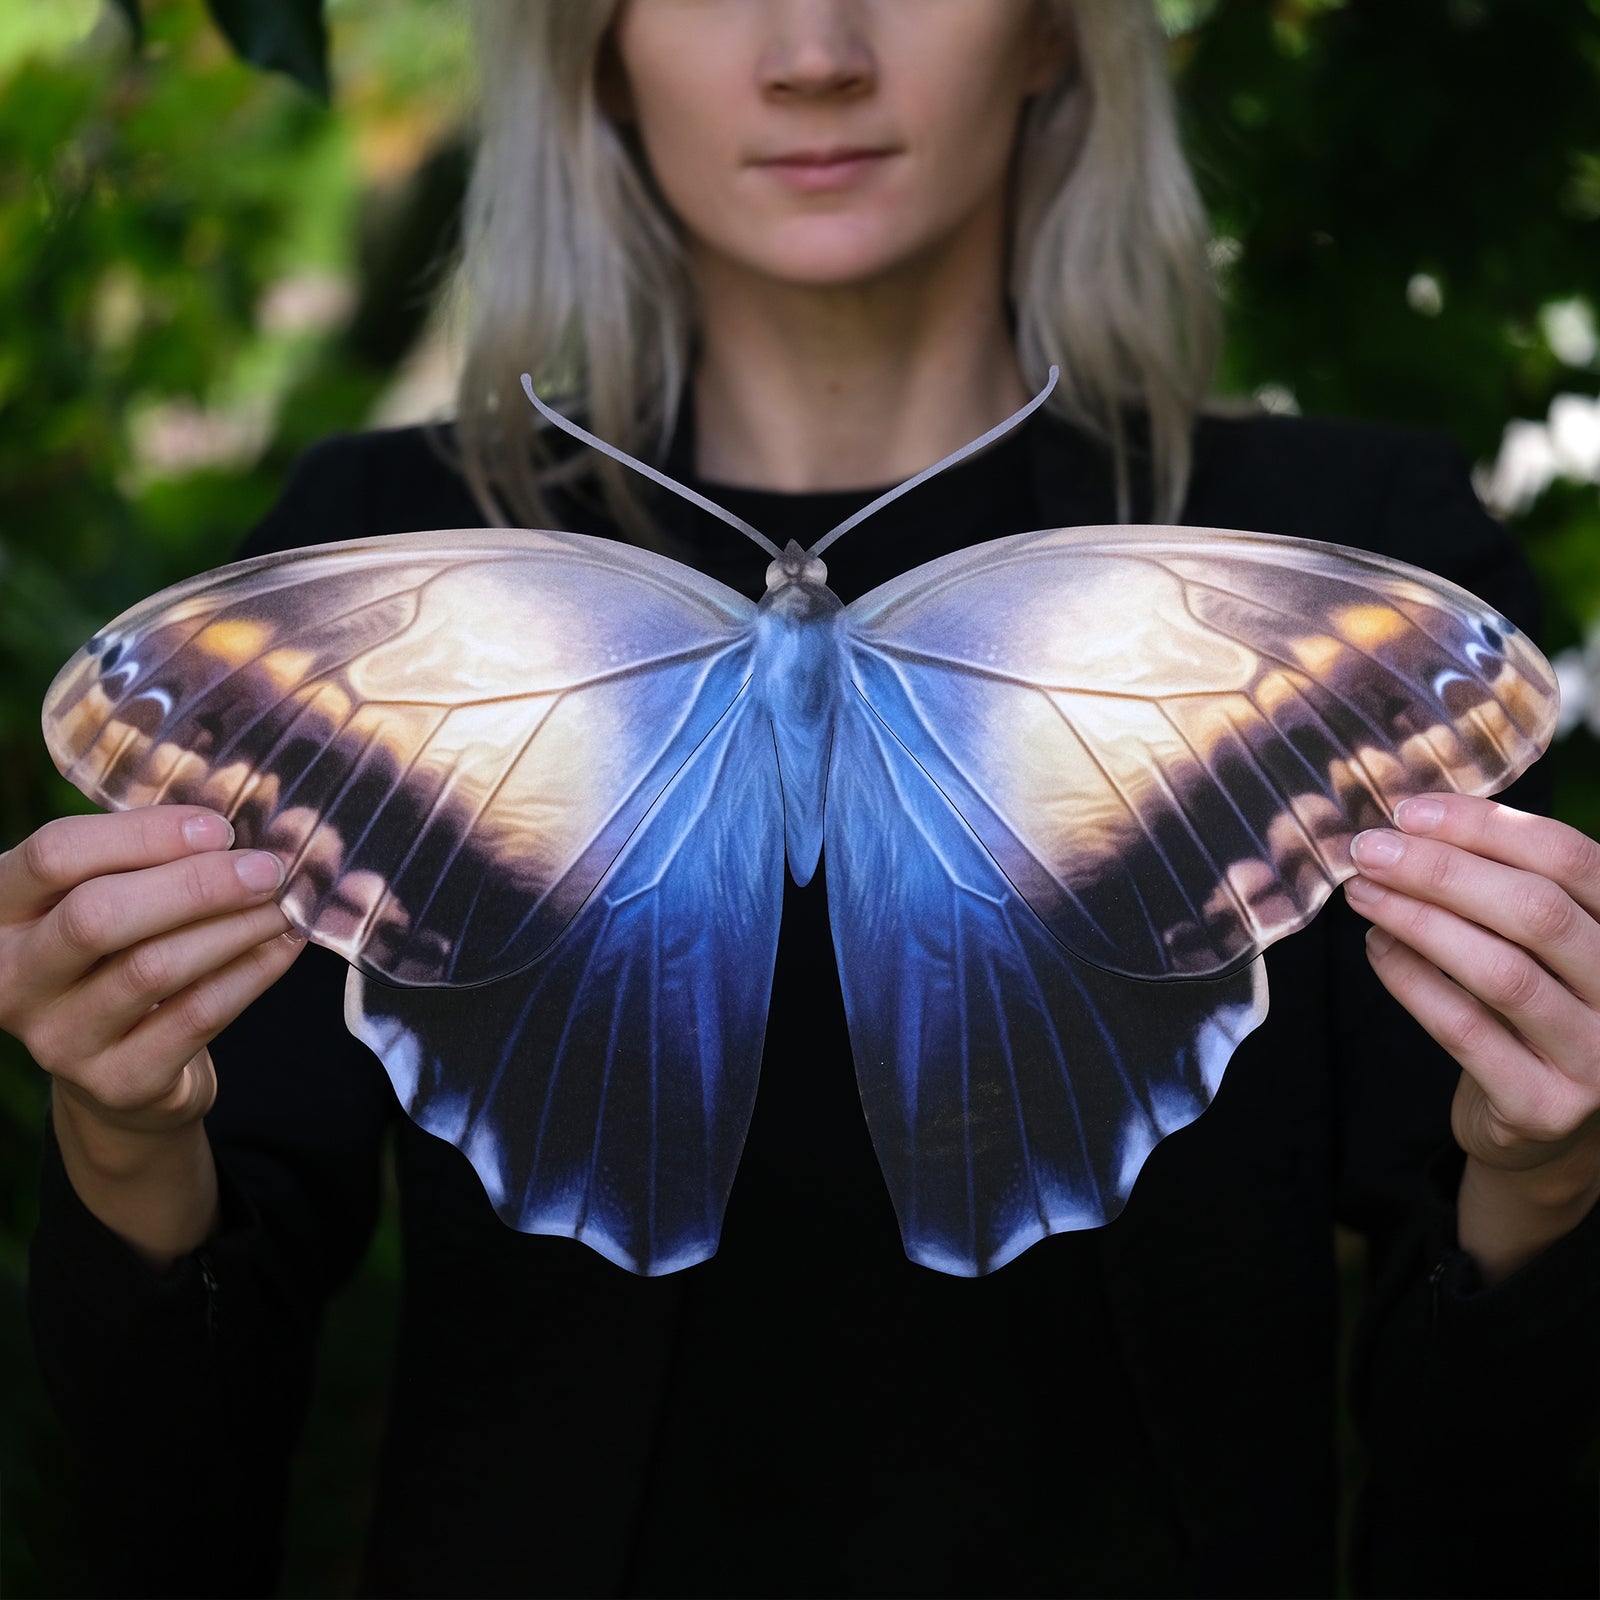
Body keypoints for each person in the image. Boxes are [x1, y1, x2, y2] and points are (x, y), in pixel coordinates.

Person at [11, 2, 1600, 1594]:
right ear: (595, 42)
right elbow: (170, 1507)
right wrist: (124, 1140)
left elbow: (1486, 1508)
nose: (814, 51)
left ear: (1054, 29)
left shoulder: (1350, 560)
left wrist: (1544, 1179)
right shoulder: (375, 545)